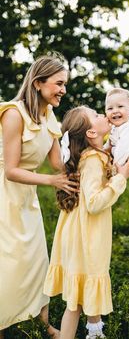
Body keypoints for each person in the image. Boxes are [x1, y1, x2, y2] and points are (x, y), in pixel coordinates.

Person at [0, 54, 78, 338]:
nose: (63, 90)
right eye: (59, 84)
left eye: (64, 84)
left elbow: (58, 163)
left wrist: (96, 156)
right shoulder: (13, 114)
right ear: (37, 83)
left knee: (36, 262)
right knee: (8, 263)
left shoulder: (48, 115)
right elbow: (10, 170)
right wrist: (51, 181)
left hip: (26, 198)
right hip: (4, 196)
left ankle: (43, 327)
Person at [43, 106, 129, 339]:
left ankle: (95, 331)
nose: (104, 114)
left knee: (81, 295)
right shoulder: (93, 159)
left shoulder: (93, 155)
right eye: (96, 115)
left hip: (79, 234)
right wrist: (120, 179)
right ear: (91, 133)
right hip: (86, 238)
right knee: (75, 303)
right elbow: (93, 203)